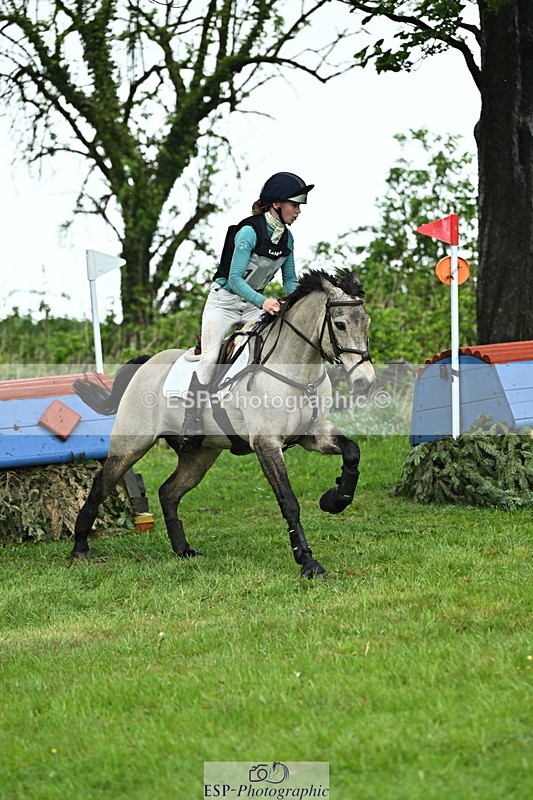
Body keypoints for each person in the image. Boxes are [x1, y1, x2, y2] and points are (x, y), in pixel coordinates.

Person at [180, 171, 314, 446]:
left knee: (268, 346)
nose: (298, 211)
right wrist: (264, 302)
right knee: (210, 359)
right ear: (277, 204)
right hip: (224, 303)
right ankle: (191, 419)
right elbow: (234, 279)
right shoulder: (248, 231)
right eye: (294, 205)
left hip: (253, 304)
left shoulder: (287, 240)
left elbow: (289, 280)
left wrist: (298, 303)